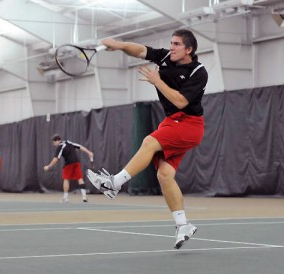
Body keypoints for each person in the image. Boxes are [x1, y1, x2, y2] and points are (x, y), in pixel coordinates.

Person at [87, 29, 208, 249]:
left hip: (189, 125)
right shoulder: (164, 57)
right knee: (164, 174)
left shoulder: (198, 71)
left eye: (177, 44)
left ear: (188, 50)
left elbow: (181, 101)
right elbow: (141, 50)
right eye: (171, 42)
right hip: (171, 122)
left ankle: (114, 184)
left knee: (149, 142)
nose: (171, 47)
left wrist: (157, 81)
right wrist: (118, 44)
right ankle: (183, 224)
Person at [44, 134, 94, 203]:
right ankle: (84, 197)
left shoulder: (60, 146)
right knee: (80, 178)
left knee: (66, 179)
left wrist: (49, 166)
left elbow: (56, 159)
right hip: (77, 162)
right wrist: (89, 152)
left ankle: (65, 198)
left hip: (69, 164)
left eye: (54, 142)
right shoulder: (68, 142)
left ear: (58, 140)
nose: (54, 144)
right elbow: (80, 147)